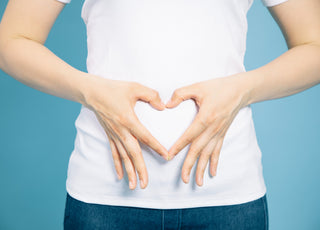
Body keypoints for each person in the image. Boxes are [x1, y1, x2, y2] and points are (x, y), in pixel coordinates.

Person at [0, 0, 320, 229]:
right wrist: (91, 91)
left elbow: (314, 44)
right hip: (105, 199)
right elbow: (10, 40)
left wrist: (243, 89)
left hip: (228, 199)